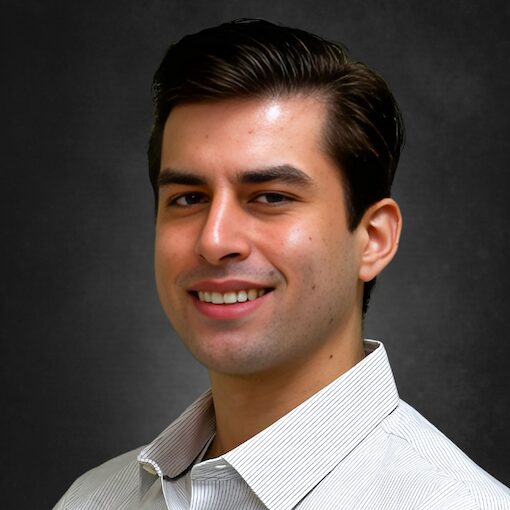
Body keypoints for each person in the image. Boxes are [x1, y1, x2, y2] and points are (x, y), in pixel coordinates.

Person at [54, 19, 509, 510]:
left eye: (270, 196)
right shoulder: (93, 499)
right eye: (188, 197)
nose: (214, 240)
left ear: (373, 240)